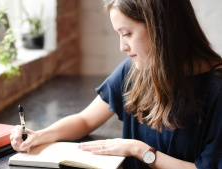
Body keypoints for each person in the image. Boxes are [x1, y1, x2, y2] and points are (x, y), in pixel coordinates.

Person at [11, 0, 222, 168]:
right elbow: (85, 120)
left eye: (127, 33)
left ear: (162, 27)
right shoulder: (134, 69)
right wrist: (39, 135)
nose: (122, 46)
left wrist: (140, 150)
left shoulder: (217, 89)